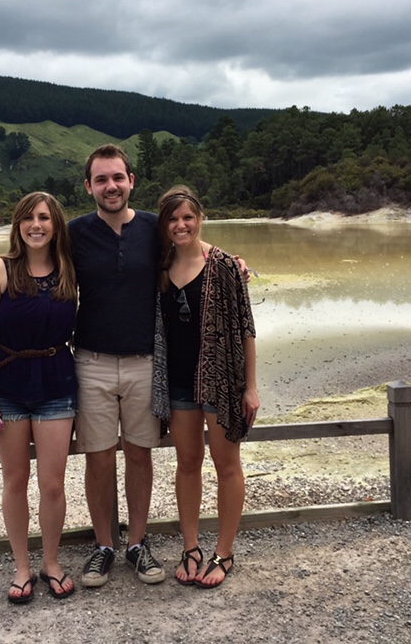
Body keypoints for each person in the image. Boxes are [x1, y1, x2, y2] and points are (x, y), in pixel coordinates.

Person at [0, 144, 167, 587]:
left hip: (144, 362)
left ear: (131, 181)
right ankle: (103, 546)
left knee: (140, 456)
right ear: (89, 187)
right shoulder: (74, 235)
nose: (111, 186)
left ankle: (137, 544)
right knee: (98, 458)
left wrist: (230, 259)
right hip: (90, 363)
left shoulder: (155, 229)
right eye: (101, 179)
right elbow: (30, 256)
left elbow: (190, 239)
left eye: (117, 177)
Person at [0, 192, 79, 603]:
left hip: (56, 382)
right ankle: (21, 566)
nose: (36, 225)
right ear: (17, 225)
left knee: (52, 485)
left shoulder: (71, 269)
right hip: (9, 386)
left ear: (56, 225)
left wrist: (233, 262)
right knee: (15, 480)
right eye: (28, 218)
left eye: (45, 218)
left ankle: (50, 561)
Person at [153, 185, 259, 589]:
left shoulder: (226, 266)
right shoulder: (159, 266)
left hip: (221, 382)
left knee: (226, 463)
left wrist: (250, 387)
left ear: (199, 218)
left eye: (187, 217)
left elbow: (247, 329)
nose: (180, 225)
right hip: (178, 383)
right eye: (172, 219)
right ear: (164, 225)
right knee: (187, 463)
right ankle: (192, 547)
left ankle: (225, 552)